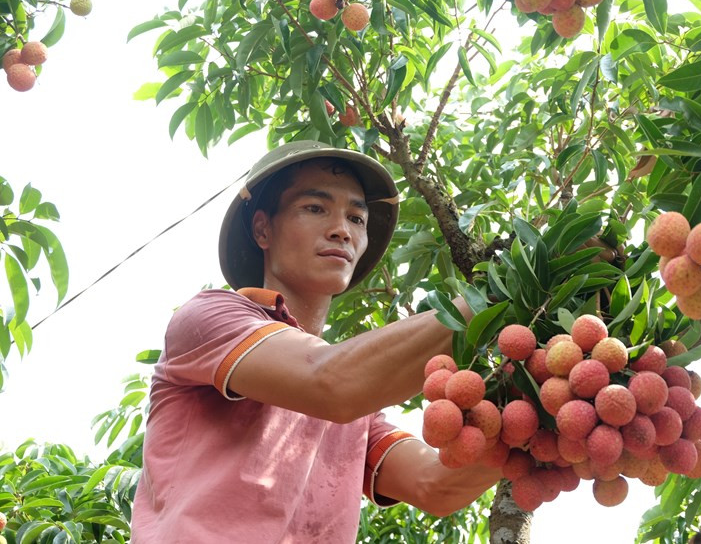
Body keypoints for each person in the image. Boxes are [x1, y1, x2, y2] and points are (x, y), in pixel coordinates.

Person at [131, 140, 502, 542]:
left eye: (357, 218)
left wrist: (536, 409)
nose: (342, 230)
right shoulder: (210, 317)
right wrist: (505, 294)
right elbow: (329, 381)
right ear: (262, 229)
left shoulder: (358, 411)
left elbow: (436, 485)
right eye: (315, 208)